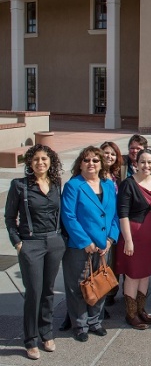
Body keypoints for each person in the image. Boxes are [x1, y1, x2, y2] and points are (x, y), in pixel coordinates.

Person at [5, 145, 65, 360]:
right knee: (34, 292)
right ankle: (30, 340)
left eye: (44, 159)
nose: (40, 162)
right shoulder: (20, 186)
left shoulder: (57, 183)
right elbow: (10, 218)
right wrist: (18, 243)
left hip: (54, 242)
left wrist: (62, 240)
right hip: (31, 244)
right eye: (36, 159)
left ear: (51, 162)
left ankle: (46, 333)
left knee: (48, 291)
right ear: (30, 163)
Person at [61, 146, 119, 343]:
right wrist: (85, 241)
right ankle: (80, 325)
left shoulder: (108, 185)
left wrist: (111, 239)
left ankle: (95, 322)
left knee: (100, 285)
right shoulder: (73, 186)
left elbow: (114, 215)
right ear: (80, 163)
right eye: (87, 160)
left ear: (101, 163)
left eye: (95, 160)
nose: (91, 164)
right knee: (78, 287)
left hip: (104, 247)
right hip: (80, 247)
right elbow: (68, 216)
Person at [116, 149, 151, 330]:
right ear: (135, 164)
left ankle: (141, 310)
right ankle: (131, 314)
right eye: (143, 162)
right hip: (133, 235)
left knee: (145, 274)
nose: (147, 166)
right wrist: (128, 240)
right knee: (132, 275)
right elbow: (123, 214)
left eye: (150, 162)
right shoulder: (128, 184)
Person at [99, 141, 123, 308]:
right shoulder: (94, 175)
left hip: (113, 225)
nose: (109, 156)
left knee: (111, 263)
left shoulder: (116, 176)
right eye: (106, 153)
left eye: (113, 154)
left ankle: (108, 296)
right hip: (99, 227)